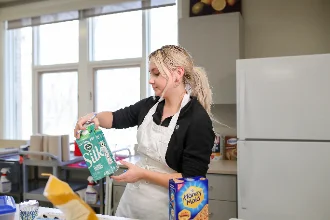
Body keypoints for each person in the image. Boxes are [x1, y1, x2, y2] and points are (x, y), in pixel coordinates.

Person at [74, 45, 215, 220]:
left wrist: (143, 174)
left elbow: (191, 180)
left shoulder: (197, 119)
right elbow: (116, 118)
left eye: (156, 73)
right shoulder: (150, 105)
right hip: (132, 203)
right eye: (150, 73)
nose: (150, 80)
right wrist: (93, 117)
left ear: (177, 74)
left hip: (167, 207)